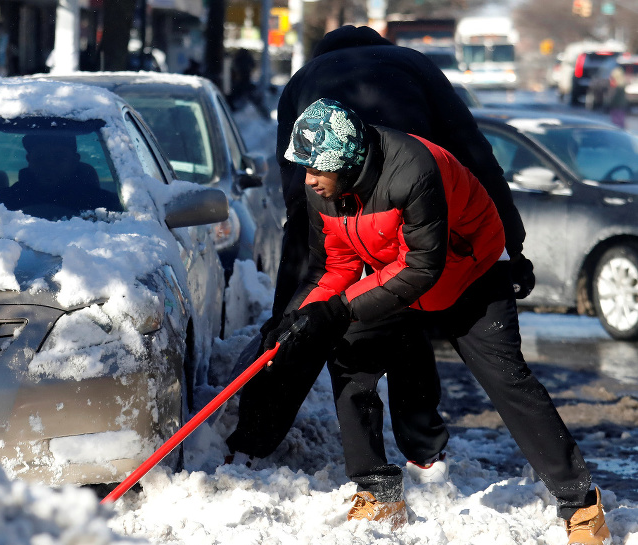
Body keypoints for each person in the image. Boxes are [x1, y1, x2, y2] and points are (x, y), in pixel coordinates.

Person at [259, 98, 610, 545]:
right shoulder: (323, 187)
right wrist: (299, 317)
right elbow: (335, 263)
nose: (306, 179)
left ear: (344, 162)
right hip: (395, 273)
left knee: (507, 381)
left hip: (469, 272)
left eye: (315, 168)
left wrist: (340, 310)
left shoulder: (412, 171)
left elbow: (424, 268)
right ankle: (377, 490)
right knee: (347, 355)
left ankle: (582, 507)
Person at [226, 25, 533, 480]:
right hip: (410, 201)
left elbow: (297, 179)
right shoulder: (416, 65)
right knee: (406, 311)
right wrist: (513, 243)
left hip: (333, 206)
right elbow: (476, 155)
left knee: (299, 323)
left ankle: (252, 443)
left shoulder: (303, 80)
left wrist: (297, 279)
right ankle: (424, 448)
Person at [0, 132, 119, 216]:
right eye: (40, 157)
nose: (49, 164)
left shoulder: (107, 207)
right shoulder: (1, 204)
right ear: (29, 160)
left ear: (75, 160)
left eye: (59, 157)